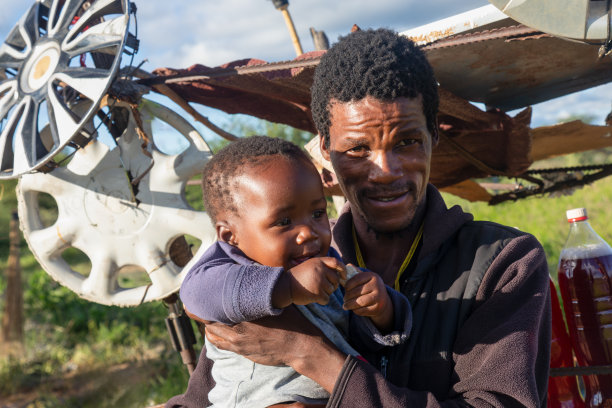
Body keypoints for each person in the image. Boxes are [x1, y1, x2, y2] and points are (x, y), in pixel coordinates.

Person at [167, 28, 551, 408]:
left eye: (407, 141)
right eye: (357, 149)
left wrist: (309, 354)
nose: (385, 170)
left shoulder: (504, 263)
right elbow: (202, 397)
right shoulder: (283, 261)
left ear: (434, 135)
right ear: (326, 149)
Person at [178, 135, 412, 407]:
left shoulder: (328, 266)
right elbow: (196, 295)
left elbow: (351, 334)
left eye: (317, 213)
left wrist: (382, 310)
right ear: (231, 235)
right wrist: (287, 286)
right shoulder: (228, 266)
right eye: (284, 221)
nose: (307, 233)